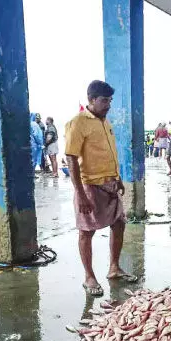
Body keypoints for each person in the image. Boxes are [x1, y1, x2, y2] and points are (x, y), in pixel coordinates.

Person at [64, 80, 138, 296]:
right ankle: (89, 277)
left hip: (111, 185)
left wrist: (118, 178)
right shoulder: (77, 122)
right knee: (87, 231)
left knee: (119, 224)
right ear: (91, 99)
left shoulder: (106, 122)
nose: (108, 105)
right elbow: (70, 160)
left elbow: (108, 154)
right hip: (90, 186)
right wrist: (81, 194)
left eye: (110, 100)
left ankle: (114, 268)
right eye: (104, 100)